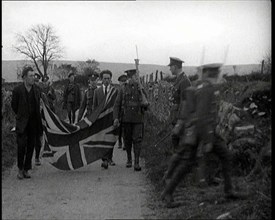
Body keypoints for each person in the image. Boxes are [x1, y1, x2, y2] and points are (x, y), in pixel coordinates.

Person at [161, 63, 244, 208]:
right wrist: (208, 140)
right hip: (203, 132)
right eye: (216, 74)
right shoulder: (207, 89)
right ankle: (168, 193)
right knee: (189, 164)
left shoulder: (202, 87)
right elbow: (202, 116)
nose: (218, 76)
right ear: (212, 74)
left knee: (222, 156)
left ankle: (229, 189)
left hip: (203, 131)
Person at [113, 69, 149, 171]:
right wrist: (116, 118)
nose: (137, 79)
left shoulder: (140, 88)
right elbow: (117, 105)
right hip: (126, 118)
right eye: (135, 77)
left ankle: (137, 162)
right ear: (130, 77)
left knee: (137, 140)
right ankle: (129, 159)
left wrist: (141, 91)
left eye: (136, 77)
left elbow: (146, 104)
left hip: (138, 118)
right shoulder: (123, 89)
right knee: (127, 140)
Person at [11, 66, 43, 179]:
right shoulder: (17, 90)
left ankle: (26, 169)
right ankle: (20, 169)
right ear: (24, 77)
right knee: (21, 146)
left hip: (34, 122)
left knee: (31, 146)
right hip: (22, 123)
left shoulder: (37, 90)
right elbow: (14, 106)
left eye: (34, 76)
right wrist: (21, 116)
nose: (33, 78)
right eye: (31, 76)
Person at [93, 70, 117, 169]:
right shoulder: (97, 91)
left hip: (111, 118)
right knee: (102, 138)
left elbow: (117, 105)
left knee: (110, 138)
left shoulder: (115, 91)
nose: (106, 80)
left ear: (111, 79)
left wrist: (116, 118)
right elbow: (95, 106)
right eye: (104, 78)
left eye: (108, 78)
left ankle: (109, 158)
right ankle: (105, 159)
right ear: (101, 80)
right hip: (101, 119)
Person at [167, 57, 191, 153]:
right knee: (175, 141)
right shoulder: (179, 80)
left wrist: (179, 119)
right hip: (175, 116)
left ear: (176, 67)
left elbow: (185, 102)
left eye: (171, 67)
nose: (170, 69)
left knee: (178, 141)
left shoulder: (184, 81)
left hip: (180, 118)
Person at [117, 74, 128, 150]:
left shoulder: (128, 89)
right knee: (119, 128)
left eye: (124, 81)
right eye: (122, 81)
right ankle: (120, 142)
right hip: (119, 112)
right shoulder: (118, 90)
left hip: (126, 112)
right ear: (119, 82)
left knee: (124, 128)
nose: (123, 83)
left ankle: (124, 143)